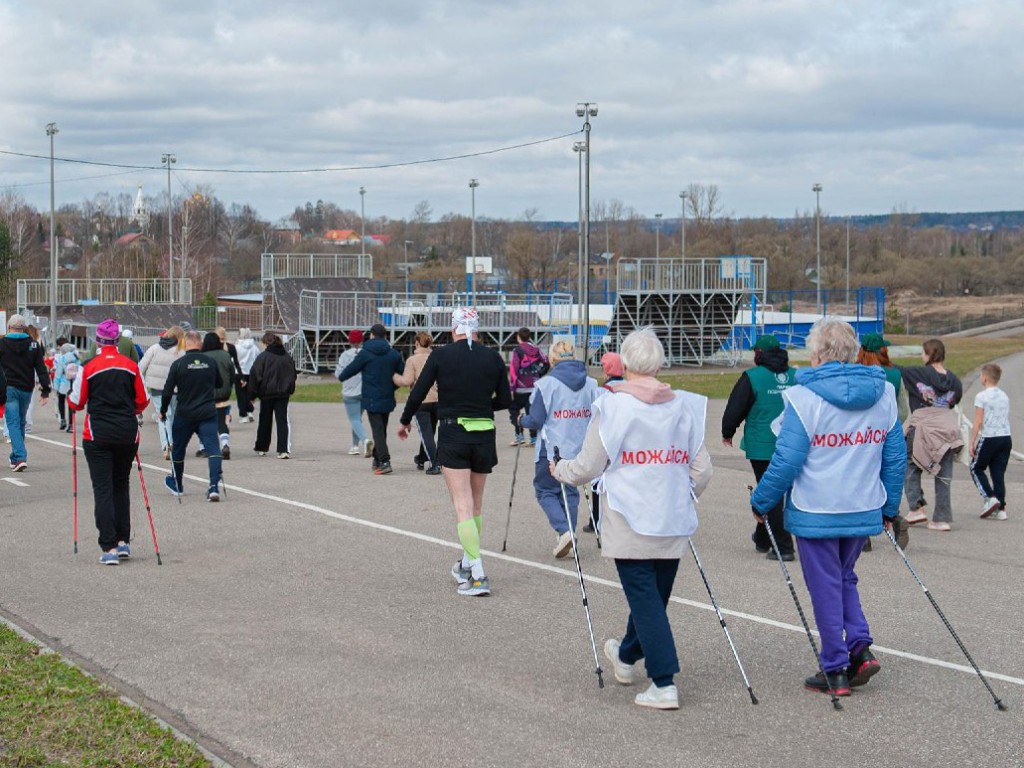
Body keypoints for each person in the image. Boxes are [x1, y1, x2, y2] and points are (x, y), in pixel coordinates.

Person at [551, 328, 712, 710]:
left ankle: (664, 680)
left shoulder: (614, 407)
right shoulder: (682, 407)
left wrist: (560, 470)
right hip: (672, 517)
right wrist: (683, 493)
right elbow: (702, 470)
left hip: (629, 516)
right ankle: (625, 657)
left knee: (645, 599)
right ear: (659, 363)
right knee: (652, 598)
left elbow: (588, 465)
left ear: (624, 362)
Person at [751, 319, 905, 696]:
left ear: (817, 354)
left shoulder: (805, 398)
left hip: (817, 508)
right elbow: (895, 456)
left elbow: (786, 461)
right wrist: (890, 506)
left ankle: (834, 666)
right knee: (844, 577)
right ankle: (859, 646)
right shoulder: (883, 394)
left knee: (824, 585)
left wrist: (761, 500)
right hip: (862, 505)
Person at [397, 307, 512, 597]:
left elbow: (419, 391)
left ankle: (478, 573)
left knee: (462, 505)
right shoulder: (493, 357)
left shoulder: (442, 355)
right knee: (476, 505)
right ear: (477, 330)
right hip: (484, 434)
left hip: (454, 433)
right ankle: (466, 563)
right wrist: (482, 406)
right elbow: (506, 400)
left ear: (453, 330)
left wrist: (405, 419)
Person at [67, 319, 150, 564]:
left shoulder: (89, 367)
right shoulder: (131, 365)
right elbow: (142, 400)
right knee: (121, 484)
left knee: (102, 488)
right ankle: (123, 541)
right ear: (117, 341)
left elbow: (76, 402)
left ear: (98, 341)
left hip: (97, 434)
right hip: (126, 433)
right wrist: (127, 410)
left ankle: (109, 546)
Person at [520, 341, 599, 558]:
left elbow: (536, 420)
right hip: (579, 448)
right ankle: (568, 533)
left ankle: (564, 531)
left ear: (553, 359)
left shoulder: (547, 385)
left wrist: (522, 420)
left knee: (545, 490)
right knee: (570, 491)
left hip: (551, 448)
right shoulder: (591, 383)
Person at [722, 334, 797, 561]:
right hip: (792, 444)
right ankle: (763, 537)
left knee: (770, 492)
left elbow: (736, 406)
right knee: (775, 490)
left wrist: (728, 431)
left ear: (759, 354)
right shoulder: (796, 376)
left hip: (762, 445)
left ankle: (783, 546)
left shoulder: (752, 377)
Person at [900, 338, 963, 532]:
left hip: (924, 427)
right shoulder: (955, 381)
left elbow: (895, 369)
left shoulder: (919, 373)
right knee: (944, 474)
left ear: (928, 354)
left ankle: (916, 507)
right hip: (946, 428)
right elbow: (954, 401)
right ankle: (941, 518)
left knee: (911, 465)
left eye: (923, 352)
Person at [856, 333, 910, 549]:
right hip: (888, 432)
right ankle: (894, 517)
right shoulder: (895, 375)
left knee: (861, 481)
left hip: (862, 435)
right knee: (885, 480)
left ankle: (864, 537)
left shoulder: (857, 374)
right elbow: (904, 410)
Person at [160, 330, 224, 501]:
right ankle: (213, 486)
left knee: (179, 449)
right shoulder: (210, 362)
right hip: (207, 413)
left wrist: (163, 410)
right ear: (200, 344)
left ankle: (177, 482)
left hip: (185, 413)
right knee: (213, 449)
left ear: (185, 344)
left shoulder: (179, 364)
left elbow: (167, 390)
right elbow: (219, 383)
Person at [337, 323, 403, 475]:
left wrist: (342, 376)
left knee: (378, 429)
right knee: (381, 428)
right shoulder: (393, 354)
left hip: (372, 397)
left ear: (372, 335)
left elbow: (352, 368)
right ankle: (377, 458)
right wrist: (392, 387)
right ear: (385, 336)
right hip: (387, 397)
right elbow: (403, 374)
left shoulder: (366, 353)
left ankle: (385, 461)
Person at [0, 314, 51, 471]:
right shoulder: (34, 345)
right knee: (21, 422)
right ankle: (15, 457)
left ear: (9, 327)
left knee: (13, 423)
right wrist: (45, 389)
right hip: (26, 388)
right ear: (23, 328)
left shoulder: (2, 344)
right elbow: (41, 369)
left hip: (9, 388)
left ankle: (20, 456)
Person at [393, 331, 441, 474]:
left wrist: (396, 378)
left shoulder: (412, 360)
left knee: (425, 433)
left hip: (422, 401)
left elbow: (408, 380)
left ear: (416, 343)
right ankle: (421, 457)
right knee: (429, 432)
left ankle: (435, 463)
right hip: (436, 399)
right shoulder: (435, 357)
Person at [969, 363, 1011, 521]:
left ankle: (990, 497)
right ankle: (1001, 509)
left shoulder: (982, 396)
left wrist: (972, 442)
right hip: (1005, 437)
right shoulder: (1004, 396)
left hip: (990, 437)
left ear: (985, 378)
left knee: (975, 467)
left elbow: (978, 421)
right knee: (998, 473)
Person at [249, 332, 297, 459]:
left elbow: (255, 376)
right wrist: (290, 388)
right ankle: (283, 449)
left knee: (265, 419)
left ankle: (261, 447)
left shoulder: (263, 357)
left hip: (266, 393)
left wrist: (252, 395)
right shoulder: (287, 356)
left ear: (266, 343)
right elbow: (293, 374)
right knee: (282, 420)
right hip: (283, 393)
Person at [139, 326, 185, 460]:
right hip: (175, 389)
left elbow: (141, 367)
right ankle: (172, 442)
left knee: (163, 416)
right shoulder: (181, 351)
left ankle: (166, 444)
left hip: (157, 388)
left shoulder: (154, 348)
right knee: (173, 416)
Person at [507, 327, 547, 447]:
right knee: (531, 412)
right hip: (534, 387)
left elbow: (514, 370)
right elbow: (546, 361)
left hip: (520, 388)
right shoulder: (536, 349)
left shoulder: (517, 351)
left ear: (519, 337)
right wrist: (539, 374)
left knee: (514, 410)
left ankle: (519, 436)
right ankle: (534, 438)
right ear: (529, 337)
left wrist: (512, 388)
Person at [201, 331, 235, 460]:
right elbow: (232, 374)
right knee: (221, 421)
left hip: (207, 394)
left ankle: (204, 447)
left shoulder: (203, 356)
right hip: (223, 394)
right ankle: (225, 444)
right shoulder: (226, 356)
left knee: (205, 421)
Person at [335, 330, 369, 456]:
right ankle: (354, 445)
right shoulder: (366, 354)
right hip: (364, 389)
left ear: (349, 341)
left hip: (350, 391)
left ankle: (365, 440)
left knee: (354, 419)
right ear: (362, 340)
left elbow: (338, 373)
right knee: (357, 419)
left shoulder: (345, 355)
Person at [53, 338, 81, 432]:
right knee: (71, 404)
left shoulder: (62, 358)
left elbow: (58, 374)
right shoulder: (76, 358)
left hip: (63, 383)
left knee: (61, 401)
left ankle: (63, 420)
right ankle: (71, 425)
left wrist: (55, 387)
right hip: (73, 383)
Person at [235, 328, 259, 422]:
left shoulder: (237, 346)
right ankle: (250, 411)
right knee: (249, 393)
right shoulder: (254, 347)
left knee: (241, 394)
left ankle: (243, 414)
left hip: (239, 372)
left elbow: (234, 360)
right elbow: (258, 357)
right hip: (250, 372)